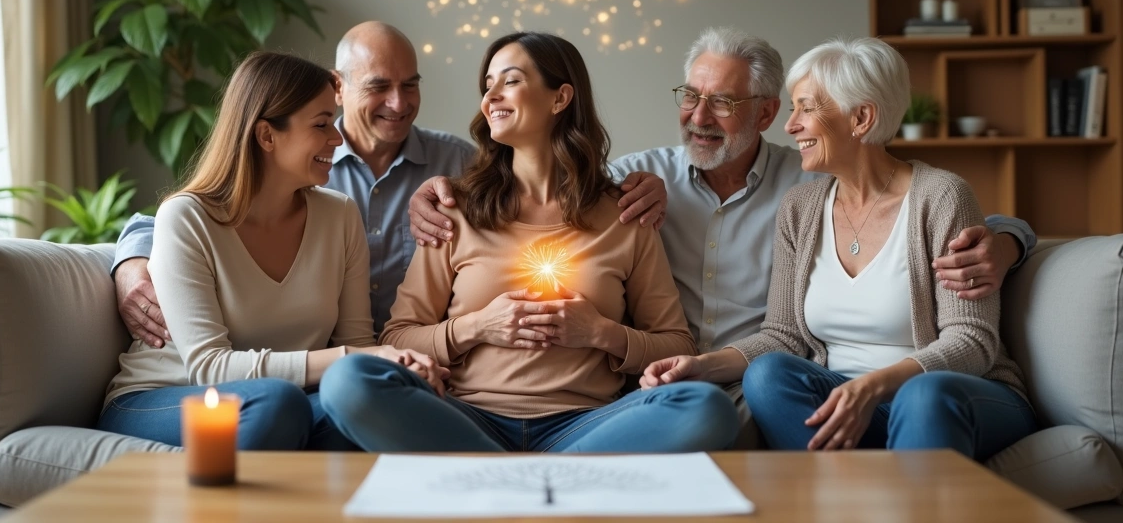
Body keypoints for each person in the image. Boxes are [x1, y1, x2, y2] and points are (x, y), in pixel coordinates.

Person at [408, 27, 1035, 440]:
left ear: (765, 112)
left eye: (724, 103)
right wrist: (435, 193)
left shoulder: (812, 188)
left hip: (885, 386)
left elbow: (960, 245)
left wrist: (1009, 242)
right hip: (724, 378)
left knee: (875, 396)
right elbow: (562, 186)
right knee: (762, 379)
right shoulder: (641, 186)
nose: (698, 117)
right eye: (691, 96)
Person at [110, 22, 668, 341]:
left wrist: (652, 184)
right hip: (360, 364)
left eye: (411, 85)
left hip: (400, 363)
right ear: (339, 87)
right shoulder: (303, 165)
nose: (399, 104)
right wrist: (131, 261)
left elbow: (554, 185)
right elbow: (193, 211)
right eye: (379, 86)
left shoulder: (457, 167)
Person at [320, 32, 739, 452]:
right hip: (467, 417)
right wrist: (479, 326)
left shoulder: (625, 214)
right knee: (348, 381)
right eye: (488, 86)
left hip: (586, 425)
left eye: (511, 81)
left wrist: (599, 332)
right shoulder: (453, 209)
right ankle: (545, 475)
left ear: (560, 98)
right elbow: (397, 338)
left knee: (705, 406)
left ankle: (496, 473)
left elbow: (676, 344)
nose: (491, 98)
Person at [641, 37, 1036, 460]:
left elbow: (972, 340)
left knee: (922, 396)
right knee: (768, 375)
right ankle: (849, 485)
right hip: (848, 401)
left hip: (952, 396)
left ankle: (871, 488)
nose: (791, 125)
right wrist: (702, 366)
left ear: (861, 118)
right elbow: (783, 336)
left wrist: (875, 385)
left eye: (806, 108)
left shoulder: (940, 196)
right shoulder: (801, 206)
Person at [97, 52, 446, 450]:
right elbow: (209, 367)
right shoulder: (188, 216)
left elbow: (358, 344)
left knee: (371, 405)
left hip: (287, 402)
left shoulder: (340, 216)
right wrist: (359, 358)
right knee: (276, 404)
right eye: (321, 124)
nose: (337, 138)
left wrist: (396, 369)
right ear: (266, 136)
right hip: (163, 397)